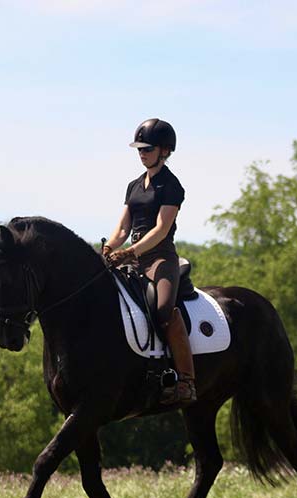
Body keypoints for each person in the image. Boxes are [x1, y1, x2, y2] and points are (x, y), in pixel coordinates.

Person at [103, 118, 196, 404]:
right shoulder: (133, 186)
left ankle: (186, 382)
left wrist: (131, 253)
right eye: (139, 149)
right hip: (133, 260)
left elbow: (160, 230)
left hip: (160, 259)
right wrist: (106, 250)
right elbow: (121, 229)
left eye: (147, 148)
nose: (142, 153)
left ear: (164, 150)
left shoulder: (171, 186)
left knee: (163, 310)